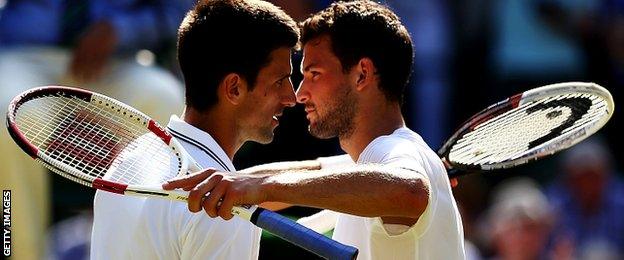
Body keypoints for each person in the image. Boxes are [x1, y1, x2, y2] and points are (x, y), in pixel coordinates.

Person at [164, 1, 465, 259]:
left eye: (314, 74)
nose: (300, 94)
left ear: (362, 74)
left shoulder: (395, 154)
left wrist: (261, 186)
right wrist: (235, 183)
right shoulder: (378, 161)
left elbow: (410, 191)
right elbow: (312, 172)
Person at [90, 0, 299, 259]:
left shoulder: (131, 157)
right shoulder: (223, 209)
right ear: (234, 88)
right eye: (280, 80)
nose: (292, 97)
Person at [0, 1, 187, 258]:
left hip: (118, 59)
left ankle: (142, 253)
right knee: (6, 117)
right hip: (22, 55)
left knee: (166, 101)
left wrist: (121, 30)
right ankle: (20, 253)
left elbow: (178, 11)